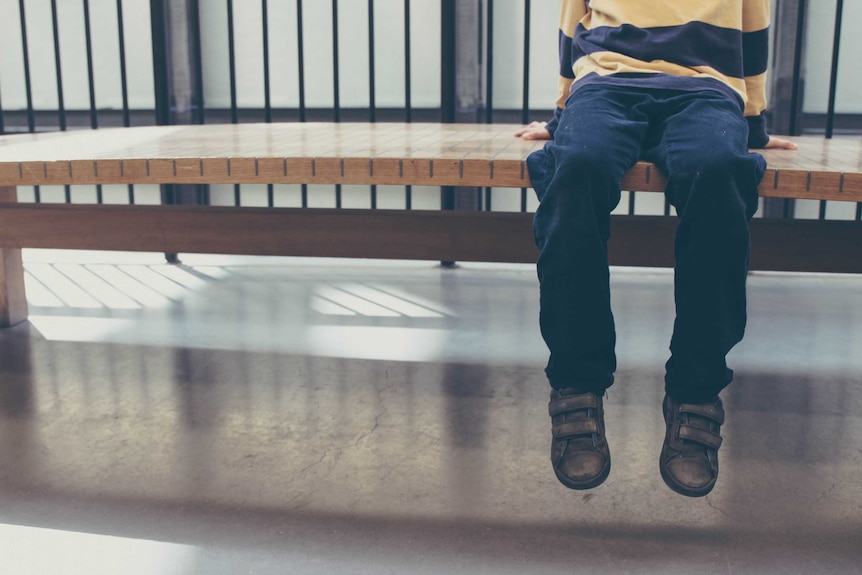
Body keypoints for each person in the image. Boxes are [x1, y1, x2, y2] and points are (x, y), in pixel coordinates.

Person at [515, 0, 796, 497]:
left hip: (706, 91)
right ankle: (577, 384)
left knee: (719, 171)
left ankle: (695, 391)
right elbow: (570, 25)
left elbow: (753, 32)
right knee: (574, 168)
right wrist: (562, 116)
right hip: (605, 85)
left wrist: (752, 126)